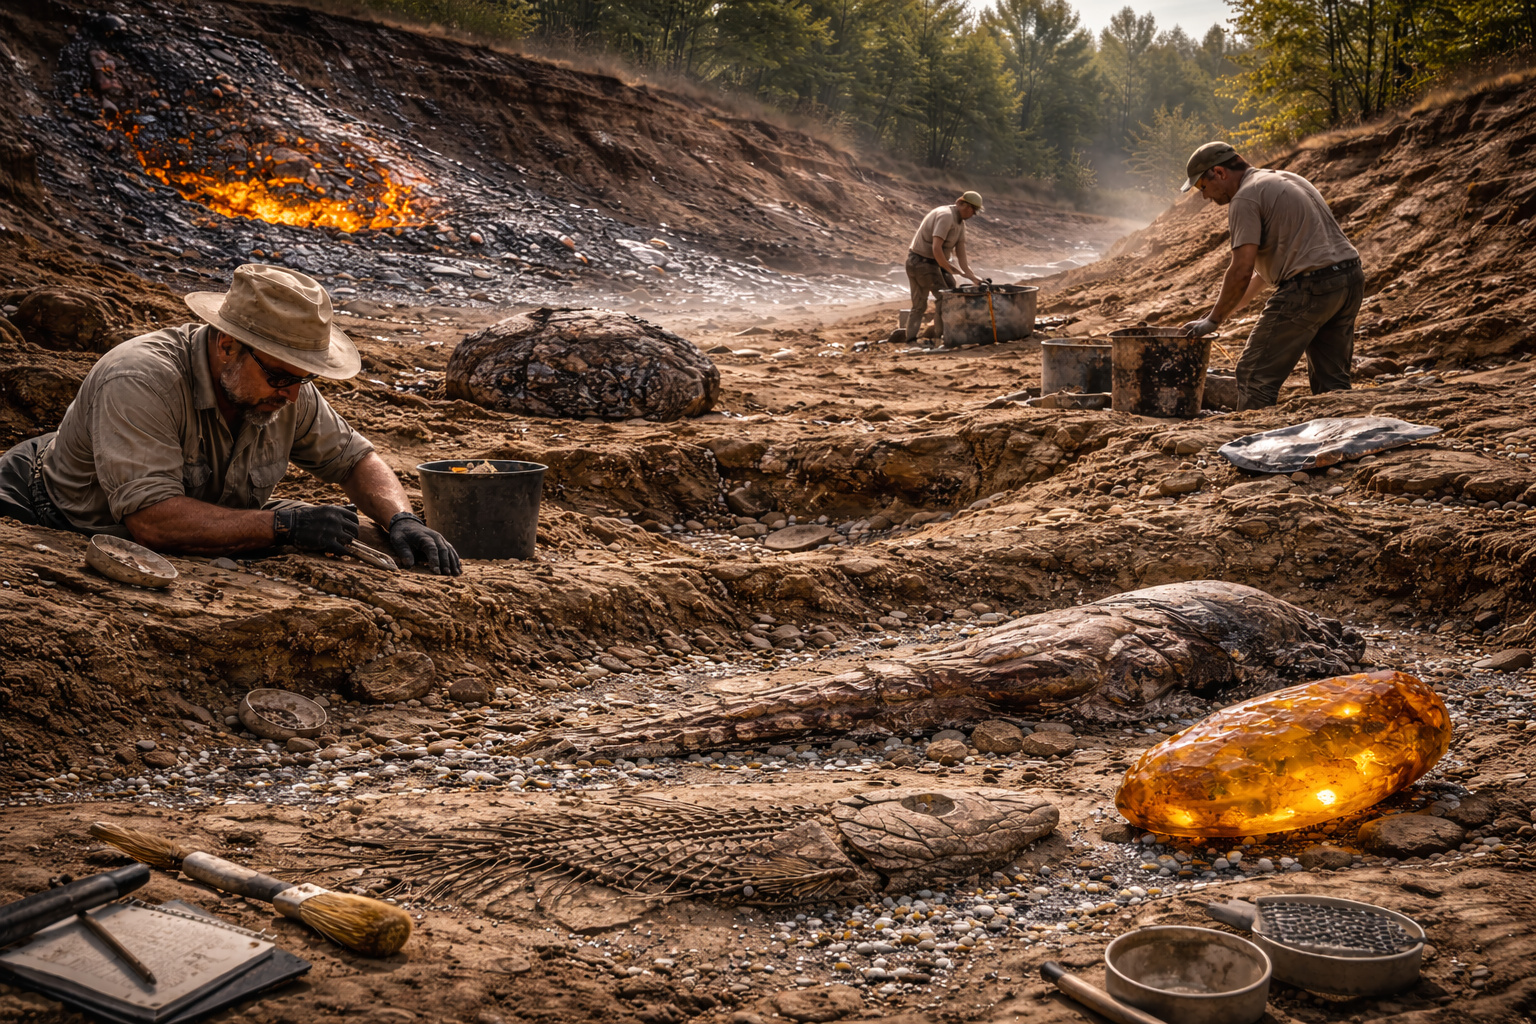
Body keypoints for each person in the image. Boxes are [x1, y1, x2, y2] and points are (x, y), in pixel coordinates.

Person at [0, 263, 462, 574]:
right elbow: (152, 522)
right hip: (47, 510)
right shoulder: (140, 378)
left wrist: (401, 518)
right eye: (281, 377)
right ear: (226, 346)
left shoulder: (285, 386)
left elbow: (355, 460)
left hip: (192, 509)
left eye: (305, 379)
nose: (293, 395)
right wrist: (284, 526)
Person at [1180, 142, 1363, 410]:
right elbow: (1263, 275)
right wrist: (1216, 315)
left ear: (1219, 172)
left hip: (1311, 286)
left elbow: (1241, 270)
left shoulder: (1245, 198)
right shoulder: (1285, 178)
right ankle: (1342, 431)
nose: (1205, 196)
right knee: (1332, 380)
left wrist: (1213, 321)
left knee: (1254, 374)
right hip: (1349, 279)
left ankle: (1256, 436)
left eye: (1202, 186)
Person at [896, 190, 985, 344]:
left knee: (951, 290)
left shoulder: (960, 224)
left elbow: (961, 256)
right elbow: (936, 248)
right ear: (963, 205)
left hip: (934, 263)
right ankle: (935, 339)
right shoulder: (946, 216)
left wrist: (973, 277)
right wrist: (949, 268)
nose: (973, 214)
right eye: (972, 210)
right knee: (940, 299)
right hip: (920, 262)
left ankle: (944, 334)